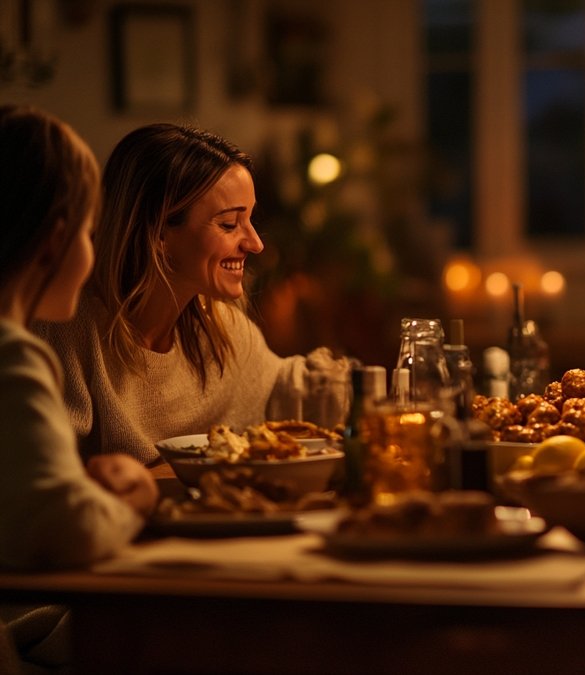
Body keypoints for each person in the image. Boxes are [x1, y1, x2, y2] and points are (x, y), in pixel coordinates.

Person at [34, 123, 348, 465]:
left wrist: (397, 389)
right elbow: (40, 477)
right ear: (159, 232)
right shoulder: (70, 330)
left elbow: (289, 392)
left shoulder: (218, 328)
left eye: (250, 219)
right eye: (229, 224)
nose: (255, 243)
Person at [0, 105, 159, 670]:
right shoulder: (14, 359)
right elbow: (65, 530)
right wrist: (137, 499)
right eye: (91, 234)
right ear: (54, 242)